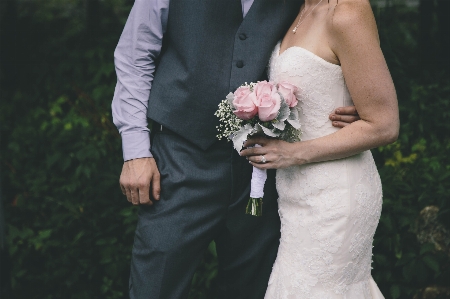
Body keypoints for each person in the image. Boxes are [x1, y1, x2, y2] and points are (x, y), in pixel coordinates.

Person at [112, 0, 360, 298]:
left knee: (253, 289)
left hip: (265, 169)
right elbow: (134, 58)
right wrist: (136, 149)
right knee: (155, 288)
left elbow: (322, 49)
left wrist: (347, 95)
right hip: (179, 162)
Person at [240, 0, 399, 297]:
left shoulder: (348, 11)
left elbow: (385, 124)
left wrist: (292, 153)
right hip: (294, 196)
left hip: (336, 196)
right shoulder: (294, 10)